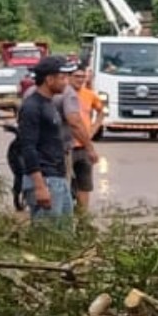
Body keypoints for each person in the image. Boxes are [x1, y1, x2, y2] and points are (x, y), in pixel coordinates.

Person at [16, 55, 73, 224]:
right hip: (45, 180)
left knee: (64, 237)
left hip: (58, 178)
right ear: (49, 79)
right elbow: (28, 148)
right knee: (46, 240)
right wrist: (40, 186)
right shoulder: (32, 107)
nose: (66, 82)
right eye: (62, 78)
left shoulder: (50, 104)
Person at [57, 61, 100, 214]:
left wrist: (92, 131)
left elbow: (101, 112)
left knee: (85, 184)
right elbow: (74, 123)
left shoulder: (89, 95)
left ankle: (83, 219)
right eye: (76, 76)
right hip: (67, 148)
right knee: (64, 184)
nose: (80, 80)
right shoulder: (62, 94)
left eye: (83, 77)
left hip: (83, 147)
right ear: (68, 77)